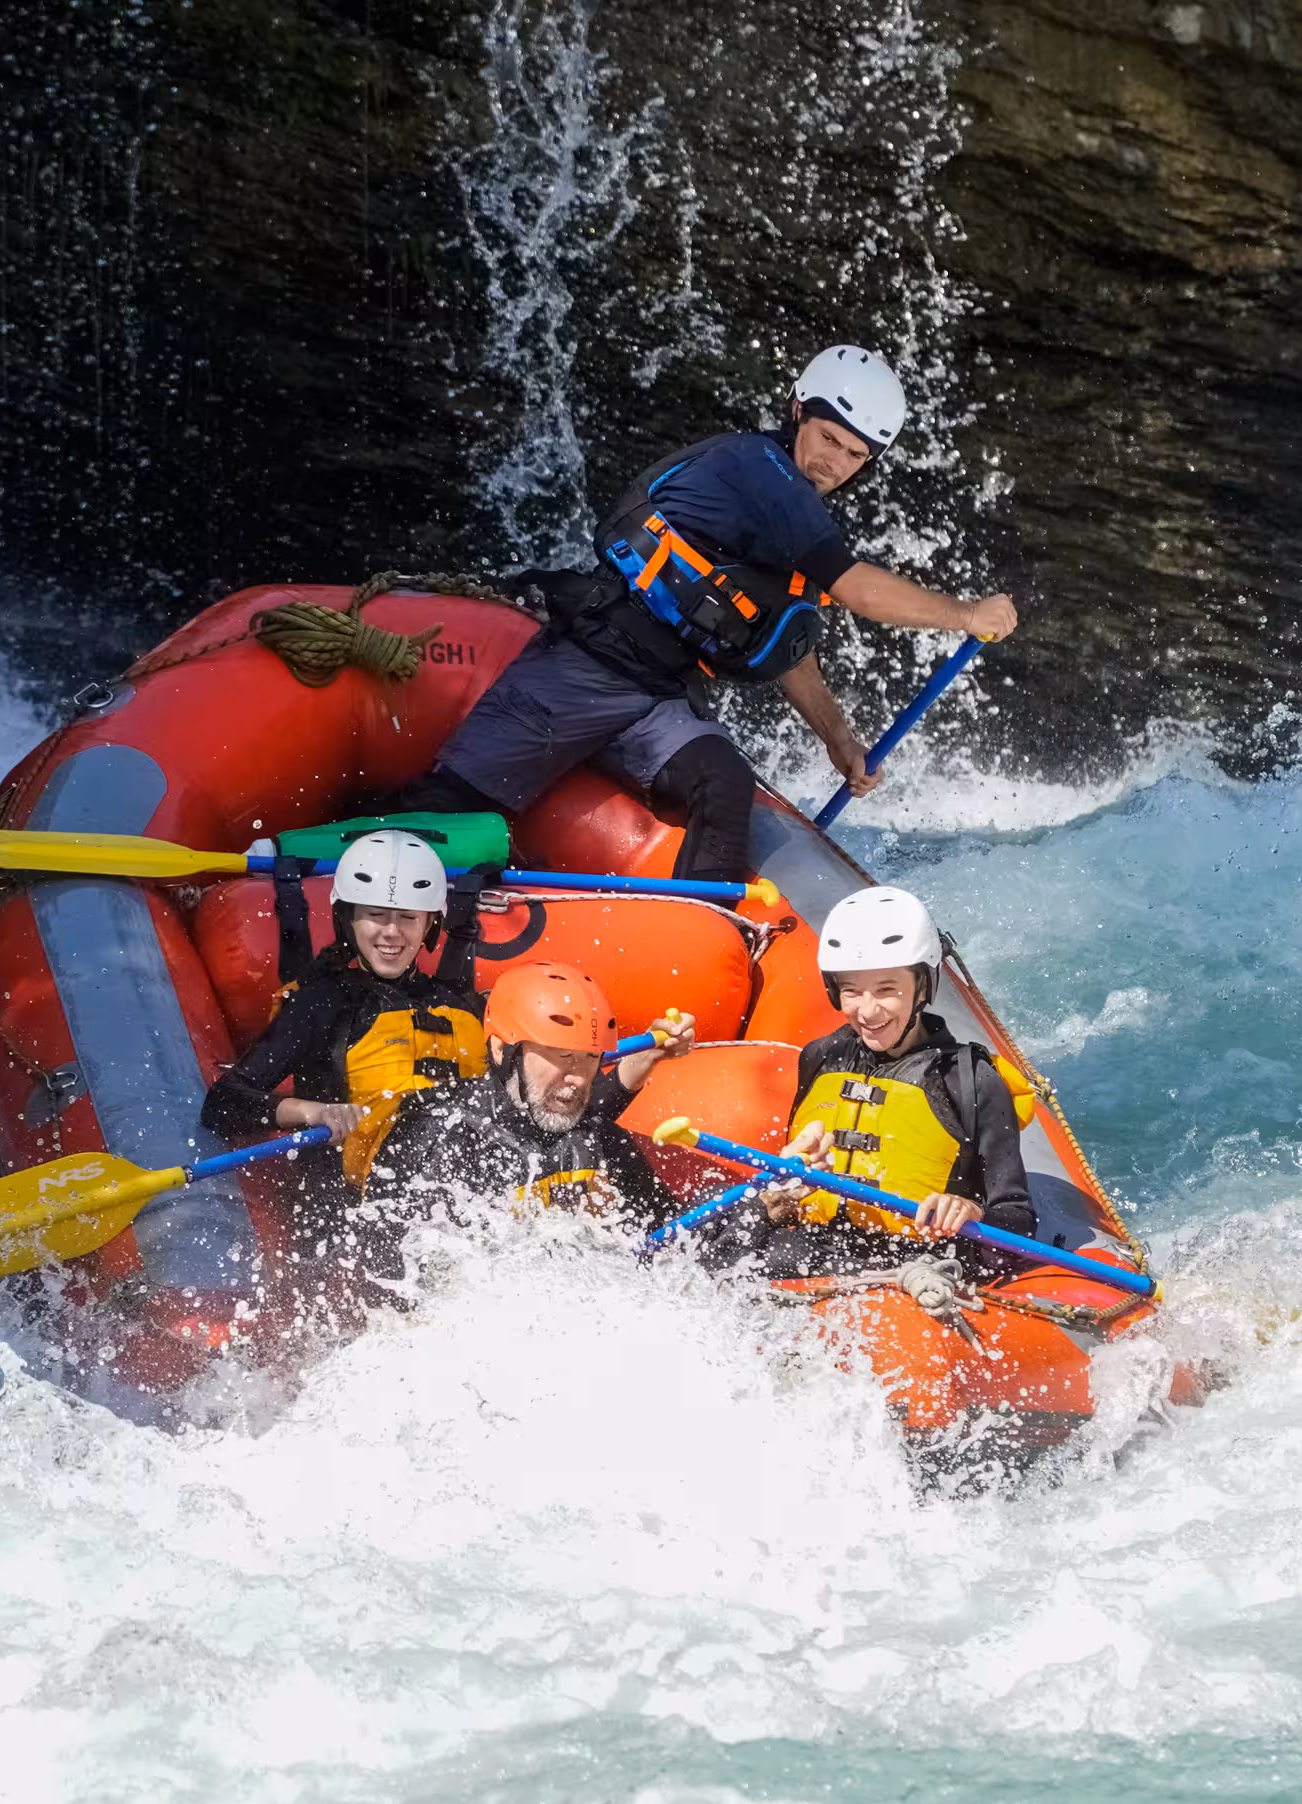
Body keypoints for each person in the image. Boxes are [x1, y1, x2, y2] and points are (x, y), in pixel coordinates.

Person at [400, 345, 1019, 881]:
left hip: (661, 697)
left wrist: (839, 739)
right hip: (586, 665)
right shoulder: (759, 469)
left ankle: (700, 938)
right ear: (797, 411)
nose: (835, 463)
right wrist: (966, 615)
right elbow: (858, 590)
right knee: (444, 807)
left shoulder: (798, 512)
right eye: (829, 438)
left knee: (723, 782)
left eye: (855, 455)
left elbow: (783, 644)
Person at [198, 831, 487, 1266]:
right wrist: (312, 1112)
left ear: (431, 925)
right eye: (375, 916)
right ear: (347, 919)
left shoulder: (456, 1003)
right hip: (348, 1217)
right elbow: (222, 1104)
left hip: (453, 1202)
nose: (391, 933)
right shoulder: (322, 1003)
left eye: (408, 918)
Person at [756, 885, 1036, 1287]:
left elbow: (1018, 1221)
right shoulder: (821, 1057)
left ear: (922, 987)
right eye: (851, 990)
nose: (867, 1011)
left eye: (887, 990)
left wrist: (971, 1211)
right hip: (814, 1252)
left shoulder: (970, 1079)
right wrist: (780, 1196)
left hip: (916, 1266)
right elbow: (791, 1190)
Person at [387, 961, 694, 1233]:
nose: (577, 1077)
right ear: (501, 1050)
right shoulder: (443, 1138)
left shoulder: (597, 1136)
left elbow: (669, 1239)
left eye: (589, 1057)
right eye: (561, 1055)